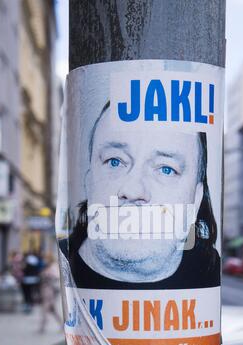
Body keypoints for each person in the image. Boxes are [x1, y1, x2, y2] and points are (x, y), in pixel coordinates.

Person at [59, 101, 220, 289]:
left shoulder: (211, 272)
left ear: (196, 199)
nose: (134, 191)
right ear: (88, 181)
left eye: (166, 169)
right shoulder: (59, 267)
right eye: (115, 161)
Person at [39, 253, 61, 333]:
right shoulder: (48, 266)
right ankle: (62, 325)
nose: (44, 260)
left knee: (45, 308)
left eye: (46, 258)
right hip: (47, 289)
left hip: (49, 290)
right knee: (53, 309)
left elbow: (57, 276)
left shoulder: (53, 266)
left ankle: (42, 326)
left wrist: (47, 275)